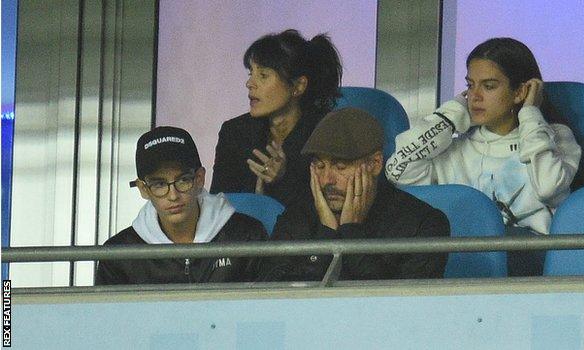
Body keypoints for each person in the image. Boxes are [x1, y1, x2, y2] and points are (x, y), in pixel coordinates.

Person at [385, 37, 582, 276]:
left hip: (532, 271)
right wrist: (448, 119)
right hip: (463, 267)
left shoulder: (556, 138)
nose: (475, 96)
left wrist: (530, 114)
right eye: (470, 85)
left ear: (520, 92)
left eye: (488, 86)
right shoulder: (455, 149)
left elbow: (549, 187)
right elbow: (397, 171)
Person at [260, 108, 450, 282]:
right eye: (319, 166)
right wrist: (327, 235)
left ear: (375, 163)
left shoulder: (423, 224)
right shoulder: (298, 216)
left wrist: (352, 233)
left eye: (340, 166)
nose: (327, 180)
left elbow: (400, 310)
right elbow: (272, 298)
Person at [95, 126, 267, 285]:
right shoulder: (119, 256)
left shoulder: (246, 236)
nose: (173, 195)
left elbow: (267, 311)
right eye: (159, 184)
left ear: (199, 179)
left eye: (183, 180)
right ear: (143, 189)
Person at [210, 29, 343, 206]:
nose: (250, 83)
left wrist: (283, 180)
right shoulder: (234, 132)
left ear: (298, 85)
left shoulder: (327, 132)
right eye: (251, 73)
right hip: (244, 232)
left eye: (263, 75)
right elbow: (218, 204)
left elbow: (331, 207)